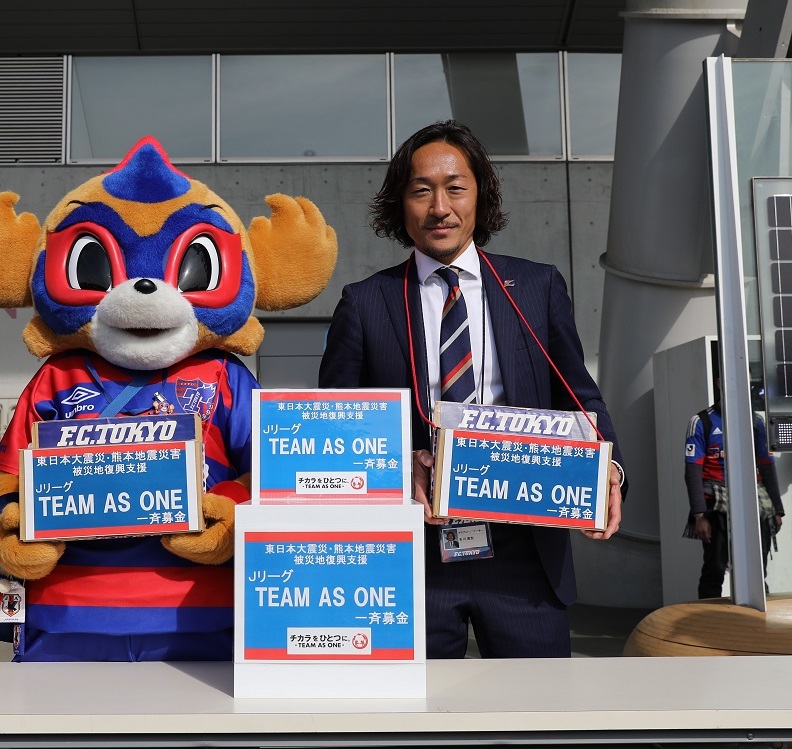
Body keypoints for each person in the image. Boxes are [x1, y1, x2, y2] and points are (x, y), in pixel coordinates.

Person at [318, 120, 626, 659]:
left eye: (455, 188)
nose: (440, 207)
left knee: (539, 705)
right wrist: (396, 465)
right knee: (415, 710)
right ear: (400, 204)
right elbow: (337, 425)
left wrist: (610, 469)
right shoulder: (365, 302)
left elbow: (578, 394)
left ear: (481, 196)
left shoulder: (536, 287)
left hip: (524, 548)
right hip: (411, 552)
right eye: (421, 190)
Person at [683, 387, 784, 599]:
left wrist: (777, 509)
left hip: (755, 500)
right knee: (715, 570)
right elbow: (693, 471)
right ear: (720, 384)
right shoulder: (700, 422)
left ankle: (758, 613)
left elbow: (766, 464)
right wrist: (699, 515)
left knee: (758, 569)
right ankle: (708, 617)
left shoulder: (755, 422)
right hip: (716, 502)